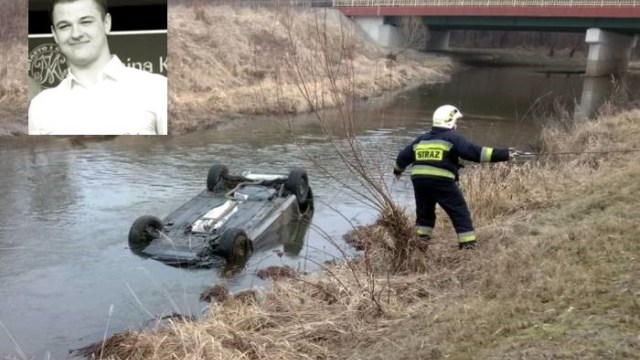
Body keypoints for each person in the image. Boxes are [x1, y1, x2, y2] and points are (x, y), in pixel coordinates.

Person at [28, 0, 167, 135]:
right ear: (54, 34)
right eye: (64, 26)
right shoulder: (40, 107)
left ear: (107, 23)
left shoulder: (156, 89)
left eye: (86, 22)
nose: (76, 34)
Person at [393, 104, 515, 250]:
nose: (456, 125)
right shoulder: (452, 138)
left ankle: (420, 247)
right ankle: (468, 246)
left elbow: (403, 156)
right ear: (449, 121)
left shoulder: (422, 139)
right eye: (456, 121)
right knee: (459, 211)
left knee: (424, 215)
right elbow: (475, 153)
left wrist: (398, 171)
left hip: (419, 181)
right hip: (441, 181)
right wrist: (504, 154)